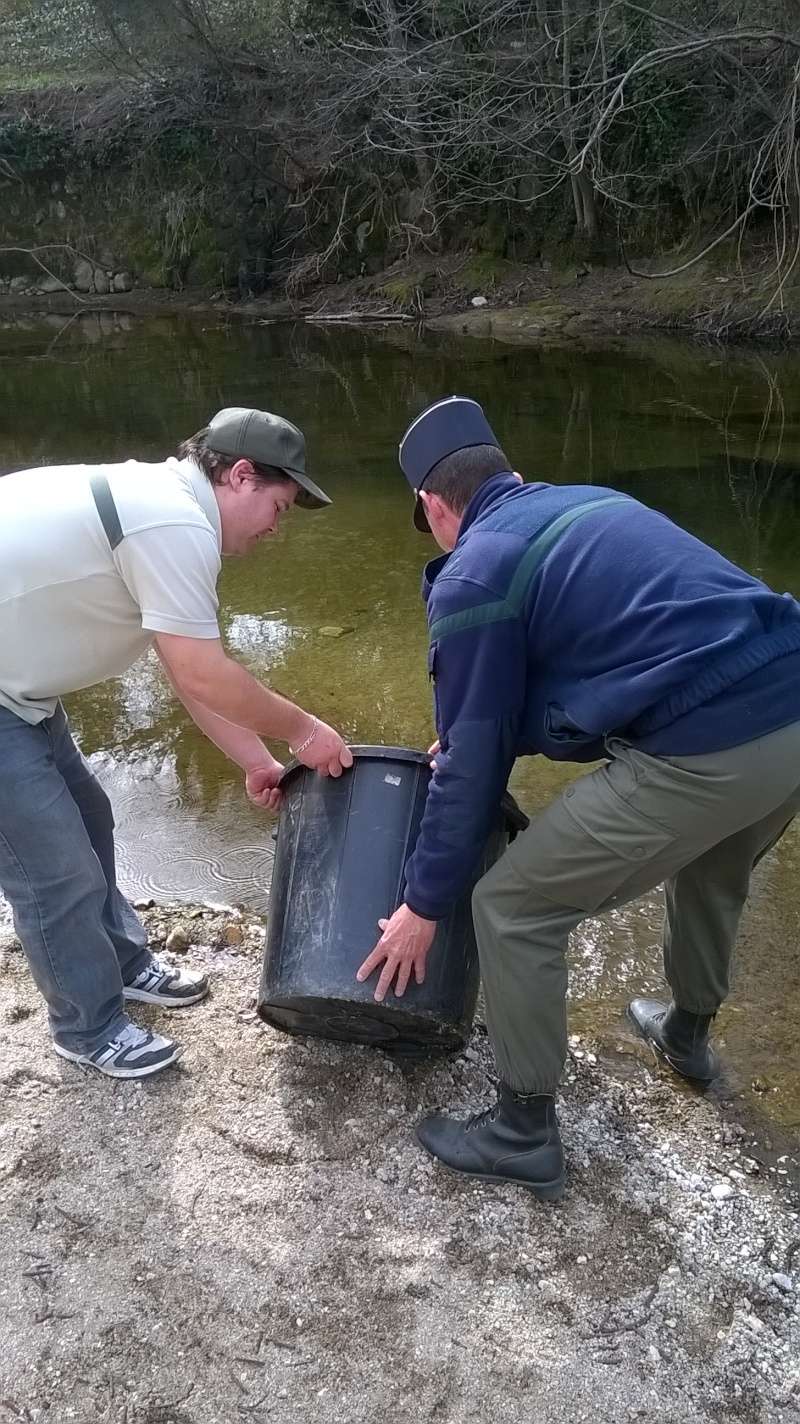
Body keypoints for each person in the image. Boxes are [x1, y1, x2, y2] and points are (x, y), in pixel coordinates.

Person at [357, 395, 800, 1200]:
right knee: (712, 868)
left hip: (711, 743)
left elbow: (470, 776)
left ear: (432, 504)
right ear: (510, 474)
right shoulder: (587, 504)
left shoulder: (475, 571)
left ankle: (523, 1128)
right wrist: (473, 734)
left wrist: (424, 903)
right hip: (789, 707)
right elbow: (615, 656)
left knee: (514, 906)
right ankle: (687, 1036)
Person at [0, 406, 352, 1080]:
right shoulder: (175, 522)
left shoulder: (166, 507)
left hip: (21, 690)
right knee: (54, 867)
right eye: (278, 505)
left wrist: (257, 759)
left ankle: (124, 966)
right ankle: (87, 1025)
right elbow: (201, 671)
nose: (277, 526)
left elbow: (186, 672)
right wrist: (304, 731)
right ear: (241, 475)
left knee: (90, 818)